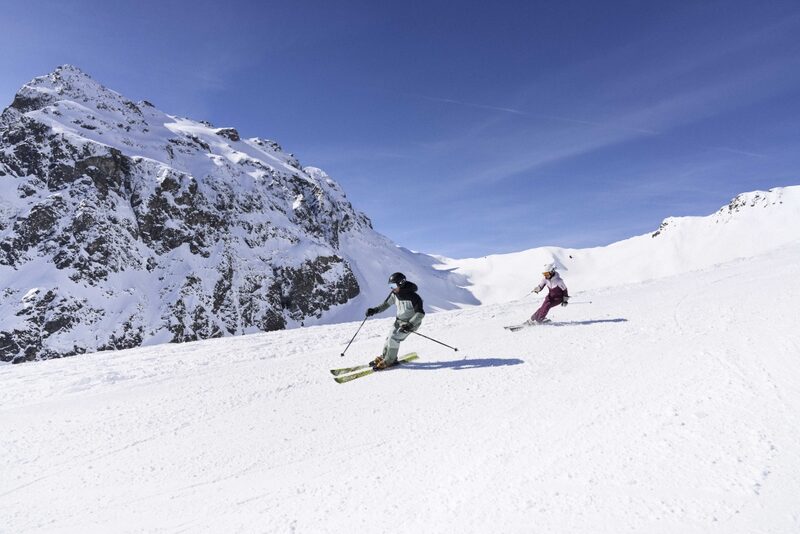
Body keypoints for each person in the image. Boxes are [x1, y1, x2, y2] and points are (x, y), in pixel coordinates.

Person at [365, 272, 425, 369]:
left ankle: (390, 361)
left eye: (393, 286)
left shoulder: (414, 297)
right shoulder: (395, 294)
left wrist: (410, 325)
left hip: (410, 324)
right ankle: (385, 356)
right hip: (399, 322)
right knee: (389, 338)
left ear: (401, 284)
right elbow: (385, 304)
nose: (392, 288)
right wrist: (374, 310)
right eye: (390, 286)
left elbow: (420, 313)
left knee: (394, 338)